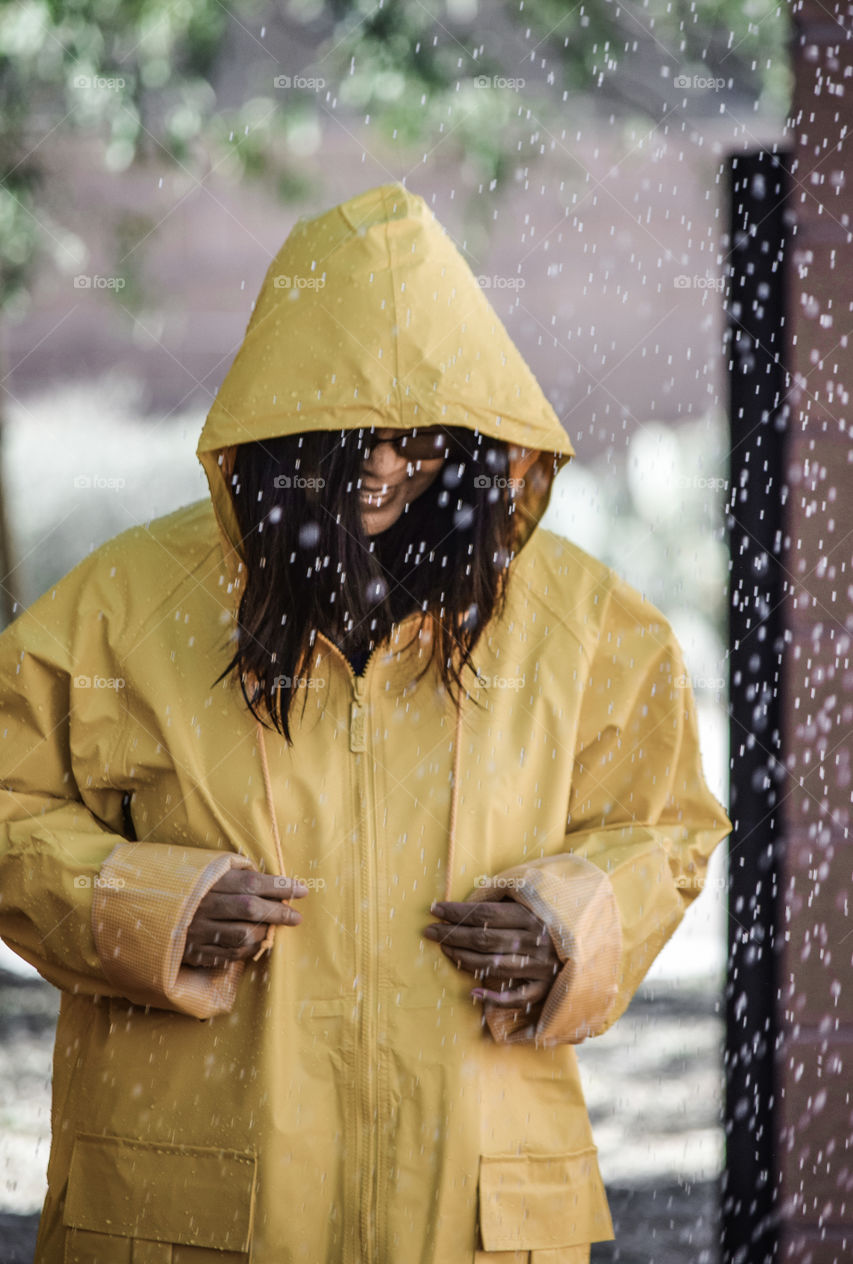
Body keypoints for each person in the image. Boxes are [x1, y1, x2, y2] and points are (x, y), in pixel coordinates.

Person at [0, 182, 732, 1264]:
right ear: (280, 425)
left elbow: (665, 827)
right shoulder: (121, 611)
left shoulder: (588, 625)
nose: (387, 466)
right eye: (351, 436)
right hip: (190, 1212)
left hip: (475, 1217)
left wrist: (568, 924)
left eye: (421, 435)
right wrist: (148, 904)